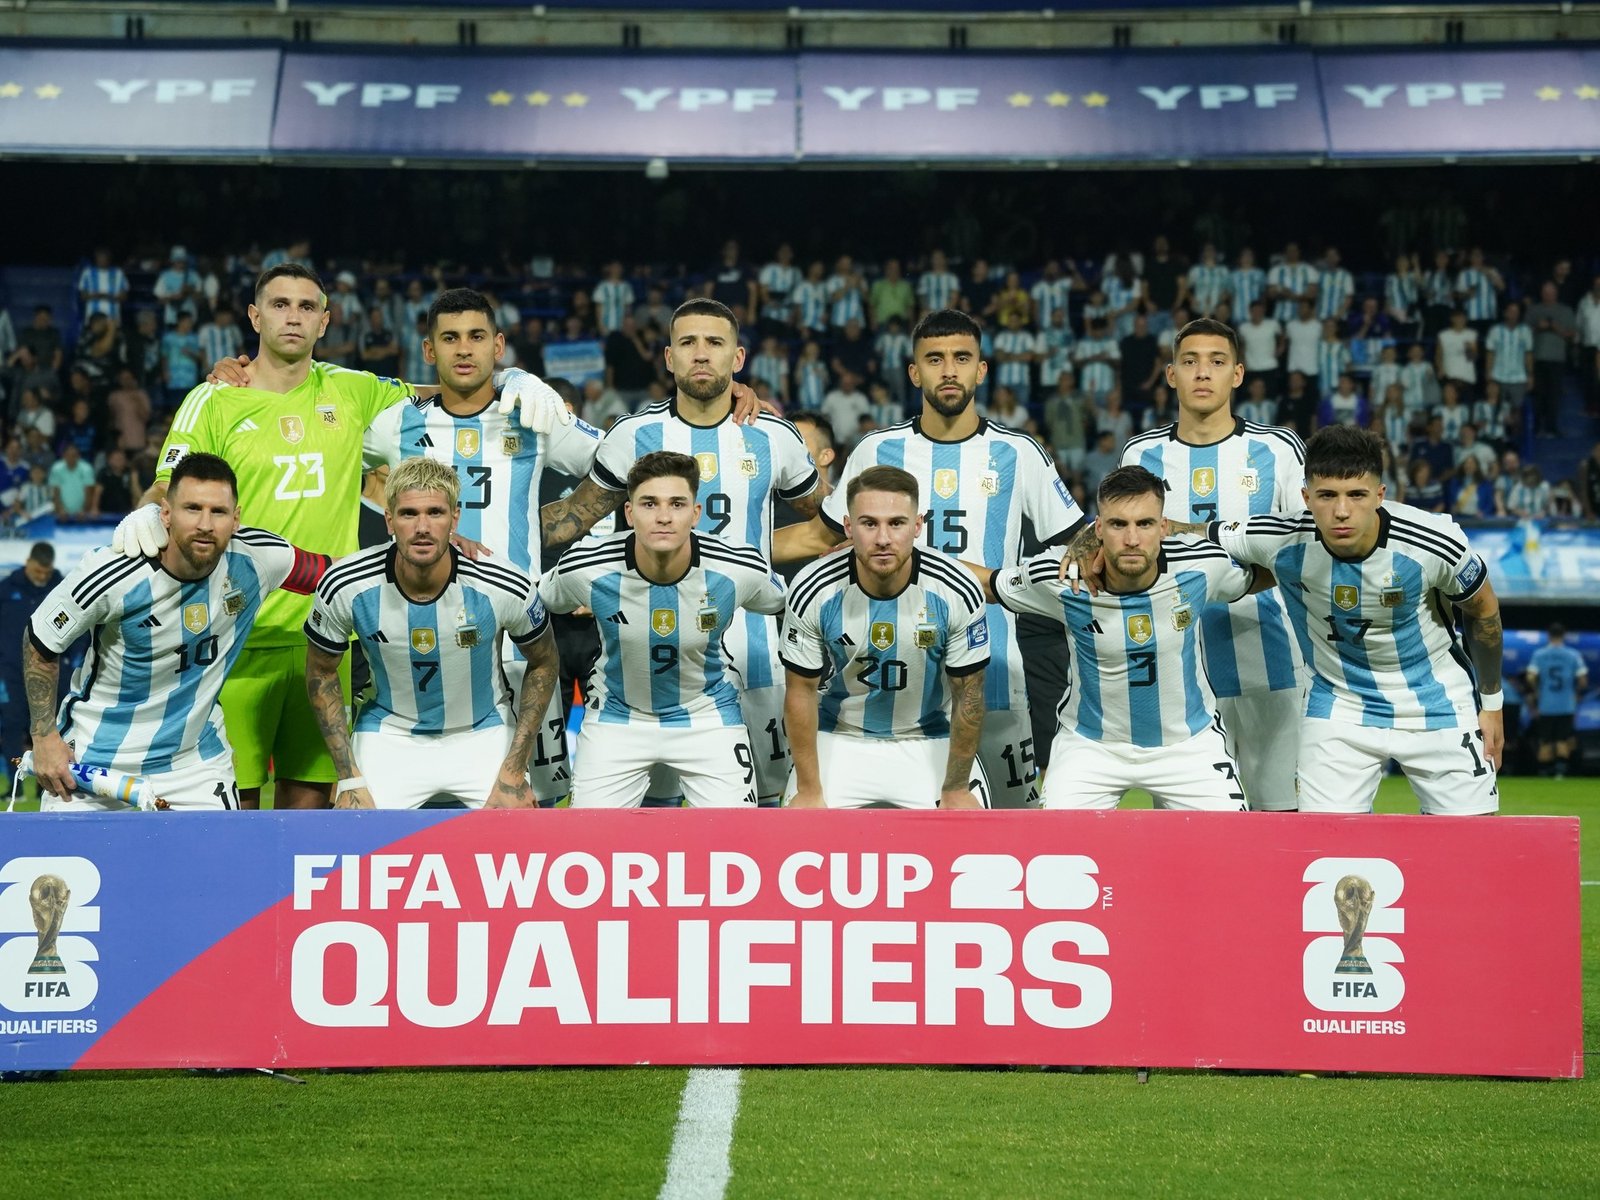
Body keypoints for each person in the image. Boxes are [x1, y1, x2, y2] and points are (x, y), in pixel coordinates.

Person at [111, 263, 574, 810]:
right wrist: (147, 512)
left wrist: (514, 378)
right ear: (255, 317)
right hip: (233, 633)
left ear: (325, 322)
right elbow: (167, 484)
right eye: (279, 305)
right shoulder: (213, 398)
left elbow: (452, 387)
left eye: (307, 306)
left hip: (325, 633)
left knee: (311, 810)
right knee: (230, 810)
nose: (293, 317)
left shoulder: (353, 391)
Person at [775, 308, 1085, 808]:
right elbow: (820, 536)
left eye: (962, 358)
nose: (949, 370)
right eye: (934, 359)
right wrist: (726, 550)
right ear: (914, 372)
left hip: (994, 668)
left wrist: (1004, 582)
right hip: (892, 668)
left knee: (1015, 816)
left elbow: (1075, 545)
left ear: (981, 370)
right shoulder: (878, 448)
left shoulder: (1019, 452)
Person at [539, 298, 822, 807]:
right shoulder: (633, 434)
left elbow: (832, 523)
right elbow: (573, 517)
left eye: (715, 343)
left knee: (769, 802)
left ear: (738, 358)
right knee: (654, 808)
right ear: (669, 358)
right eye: (688, 343)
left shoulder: (774, 435)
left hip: (755, 644)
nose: (701, 354)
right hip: (654, 643)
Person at [364, 288, 606, 803]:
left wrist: (579, 538)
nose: (463, 349)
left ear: (498, 345)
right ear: (429, 350)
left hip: (521, 644)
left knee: (536, 800)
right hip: (422, 641)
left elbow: (618, 464)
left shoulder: (534, 413)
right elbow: (335, 462)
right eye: (449, 338)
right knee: (419, 802)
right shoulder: (396, 422)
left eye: (476, 336)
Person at [1209, 425, 1505, 814]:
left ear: (1380, 495)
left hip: (1438, 704)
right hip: (1338, 708)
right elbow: (1193, 536)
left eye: (1356, 495)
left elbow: (1483, 611)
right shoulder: (1280, 536)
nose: (1341, 511)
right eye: (1327, 495)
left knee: (1473, 839)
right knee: (1324, 842)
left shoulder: (1433, 541)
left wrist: (1492, 704)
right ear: (1306, 497)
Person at [21, 454, 328, 810]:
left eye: (218, 512)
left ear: (236, 519)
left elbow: (337, 576)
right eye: (192, 508)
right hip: (96, 760)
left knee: (224, 849)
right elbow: (40, 640)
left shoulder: (258, 558)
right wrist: (44, 737)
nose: (205, 524)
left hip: (195, 765)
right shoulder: (114, 570)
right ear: (165, 513)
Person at [1112, 317, 1308, 811]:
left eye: (1217, 362)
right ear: (1171, 374)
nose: (1203, 372)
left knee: (1281, 818)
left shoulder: (1278, 449)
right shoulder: (1141, 454)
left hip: (1270, 659)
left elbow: (1304, 547)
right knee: (1189, 829)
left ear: (1237, 374)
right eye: (1190, 362)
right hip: (1177, 675)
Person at [985, 466, 1264, 810]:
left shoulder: (1201, 565)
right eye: (1118, 524)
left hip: (1188, 745)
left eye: (1144, 524)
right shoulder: (1063, 576)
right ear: (1097, 529)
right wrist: (923, 565)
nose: (1132, 539)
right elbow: (989, 584)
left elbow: (1263, 572)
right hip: (1090, 748)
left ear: (1164, 528)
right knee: (1056, 841)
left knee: (1231, 840)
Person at [303, 457, 559, 810]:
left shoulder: (502, 583)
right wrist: (348, 777)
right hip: (389, 735)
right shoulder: (346, 584)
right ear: (389, 519)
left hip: (481, 731)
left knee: (516, 833)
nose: (422, 527)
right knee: (354, 831)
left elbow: (545, 661)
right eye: (408, 514)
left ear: (455, 518)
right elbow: (321, 670)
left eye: (435, 513)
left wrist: (514, 770)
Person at [538, 451, 787, 808]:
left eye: (677, 504)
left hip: (708, 715)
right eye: (649, 504)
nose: (664, 517)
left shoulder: (738, 567)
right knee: (588, 836)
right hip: (616, 716)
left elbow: (790, 605)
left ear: (695, 514)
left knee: (734, 834)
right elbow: (537, 604)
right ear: (629, 513)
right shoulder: (585, 566)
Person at [781, 466, 989, 810]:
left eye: (896, 523)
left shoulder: (956, 587)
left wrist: (955, 787)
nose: (882, 538)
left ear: (917, 526)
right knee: (797, 833)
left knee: (971, 836)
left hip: (929, 737)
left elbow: (969, 694)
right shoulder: (813, 587)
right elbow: (800, 692)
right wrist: (808, 788)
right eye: (869, 524)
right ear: (848, 527)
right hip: (839, 736)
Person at [1524, 623, 1589, 779]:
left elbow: (1530, 677)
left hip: (1546, 704)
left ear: (1549, 635)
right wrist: (1576, 693)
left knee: (1545, 740)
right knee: (1562, 739)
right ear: (1563, 635)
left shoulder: (1539, 654)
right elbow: (1583, 681)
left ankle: (1544, 773)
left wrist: (1537, 690)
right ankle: (1560, 772)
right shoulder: (1573, 654)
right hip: (1566, 704)